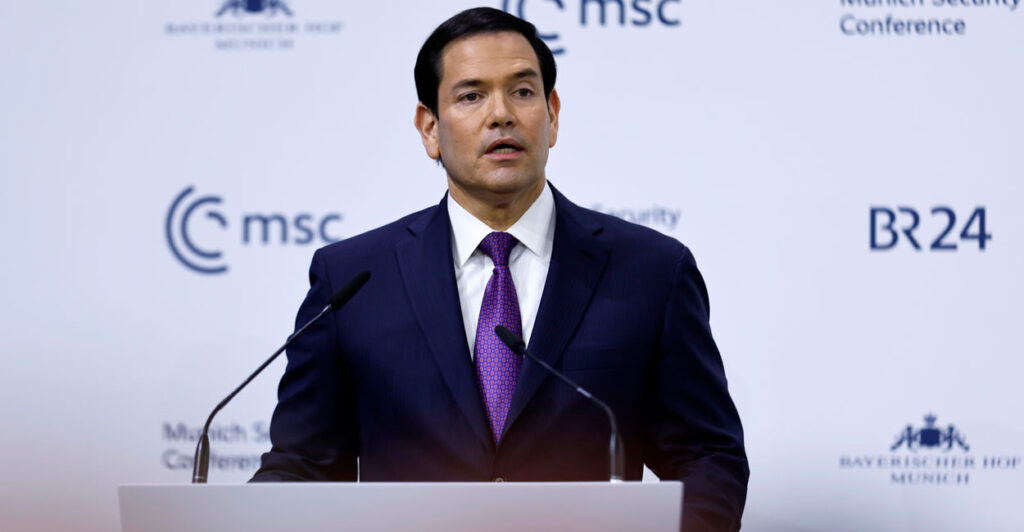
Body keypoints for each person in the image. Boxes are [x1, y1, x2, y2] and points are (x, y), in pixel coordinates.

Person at [252, 7, 748, 531]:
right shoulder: (353, 279)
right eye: (471, 96)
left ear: (552, 115)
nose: (501, 115)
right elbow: (302, 469)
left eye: (523, 92)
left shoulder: (650, 271)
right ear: (430, 129)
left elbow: (707, 458)